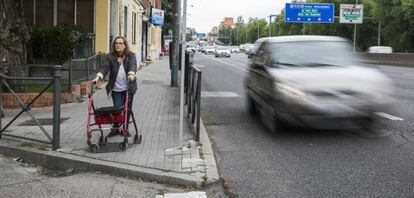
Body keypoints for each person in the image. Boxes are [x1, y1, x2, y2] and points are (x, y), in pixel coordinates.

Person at [92, 36, 137, 137]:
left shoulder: (131, 56)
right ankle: (116, 128)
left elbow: (133, 65)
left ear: (125, 45)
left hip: (129, 88)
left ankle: (125, 128)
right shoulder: (110, 56)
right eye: (116, 43)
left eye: (120, 43)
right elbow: (105, 68)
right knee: (117, 109)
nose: (118, 45)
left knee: (127, 109)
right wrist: (98, 76)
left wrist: (131, 74)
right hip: (116, 89)